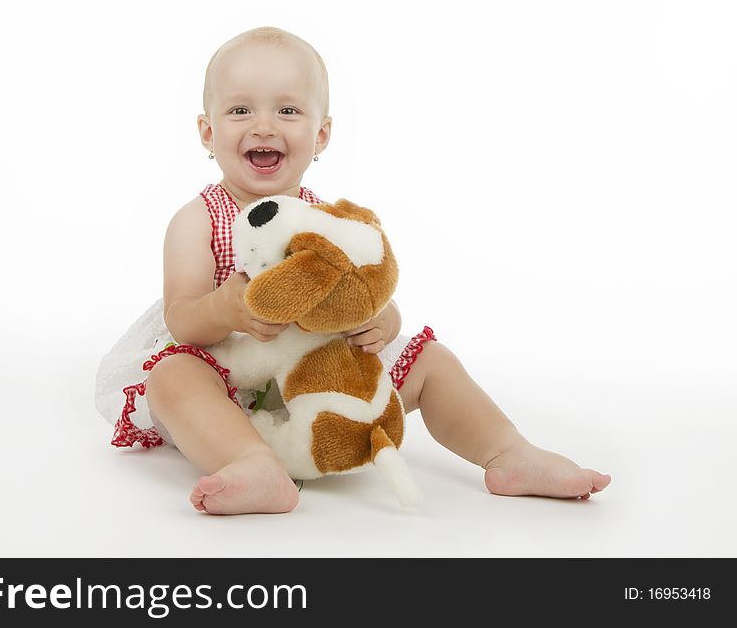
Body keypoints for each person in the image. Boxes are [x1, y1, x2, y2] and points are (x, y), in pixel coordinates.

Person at [95, 26, 611, 515]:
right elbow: (182, 318)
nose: (264, 125)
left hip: (319, 381)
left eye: (288, 109)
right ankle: (252, 463)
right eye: (240, 109)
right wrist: (223, 308)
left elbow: (363, 290)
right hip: (231, 381)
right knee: (172, 376)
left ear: (321, 135)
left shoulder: (328, 220)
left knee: (431, 358)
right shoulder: (199, 219)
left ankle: (508, 453)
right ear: (207, 131)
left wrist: (383, 320)